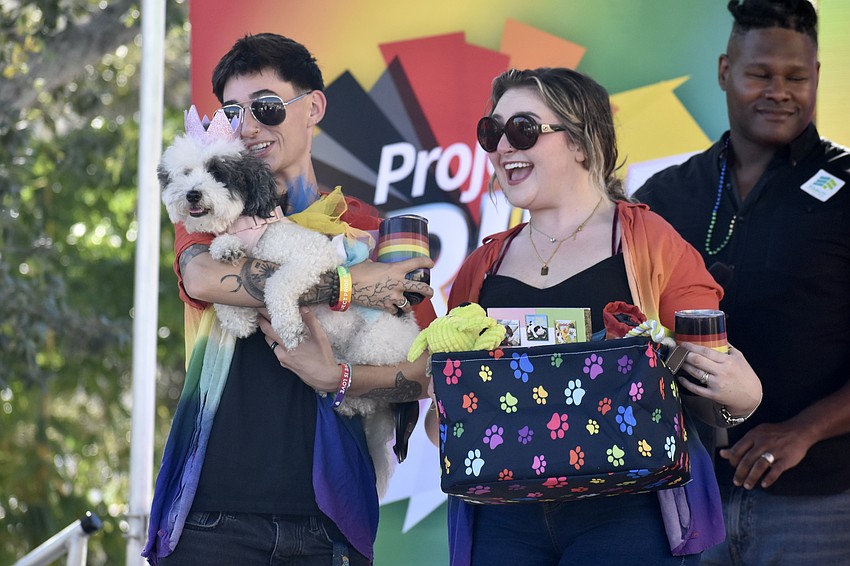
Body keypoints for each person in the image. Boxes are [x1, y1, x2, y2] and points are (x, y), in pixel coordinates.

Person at [435, 67, 762, 565]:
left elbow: (710, 395)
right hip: (502, 517)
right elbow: (443, 421)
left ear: (582, 144)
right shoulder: (481, 266)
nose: (502, 146)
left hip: (628, 512)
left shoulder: (652, 245)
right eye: (491, 132)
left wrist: (742, 396)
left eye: (522, 129)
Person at [143, 33, 436, 565]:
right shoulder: (210, 211)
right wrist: (350, 285)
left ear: (313, 107)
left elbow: (425, 372)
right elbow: (204, 278)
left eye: (267, 107)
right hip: (213, 519)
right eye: (233, 113)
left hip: (331, 526)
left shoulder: (368, 230)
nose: (248, 127)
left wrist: (339, 378)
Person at [634, 1, 850, 563]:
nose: (779, 91)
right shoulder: (665, 194)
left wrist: (804, 430)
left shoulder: (845, 188)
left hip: (819, 502)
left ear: (817, 76)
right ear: (725, 70)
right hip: (685, 495)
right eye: (760, 74)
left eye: (796, 77)